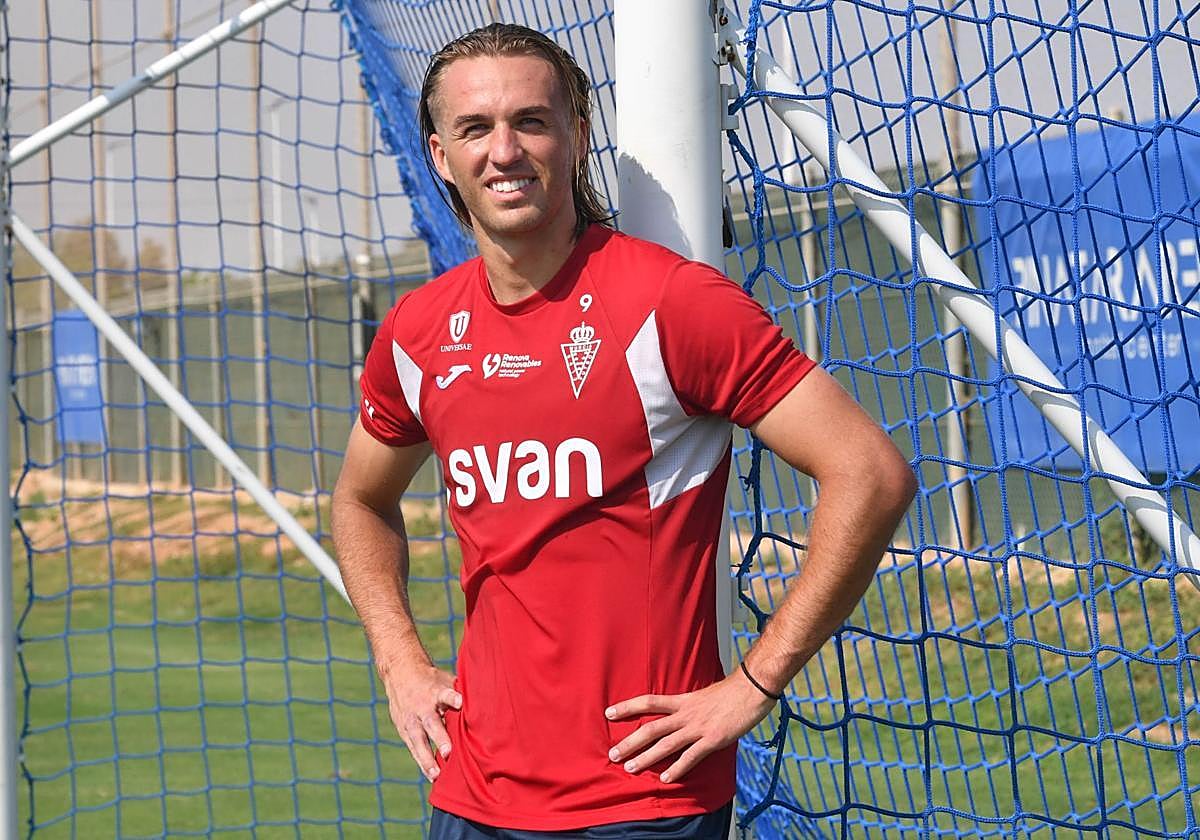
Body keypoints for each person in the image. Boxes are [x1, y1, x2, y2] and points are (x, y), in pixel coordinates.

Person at [330, 22, 916, 839]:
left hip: (641, 802)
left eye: (531, 121)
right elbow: (360, 500)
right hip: (471, 795)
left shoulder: (670, 303)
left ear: (577, 135)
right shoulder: (419, 332)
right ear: (439, 155)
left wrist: (752, 683)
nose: (505, 150)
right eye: (475, 128)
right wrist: (398, 659)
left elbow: (871, 472)